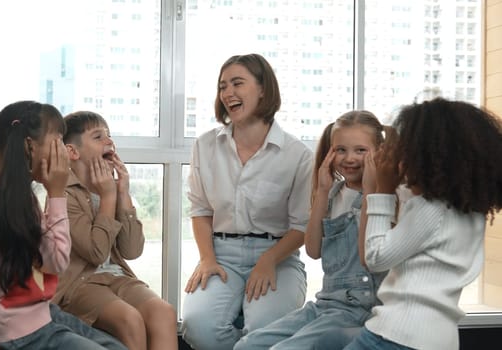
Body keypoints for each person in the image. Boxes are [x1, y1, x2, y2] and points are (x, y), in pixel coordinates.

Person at [344, 97, 502, 350]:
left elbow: (375, 258)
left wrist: (381, 190)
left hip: (396, 336)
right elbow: (411, 199)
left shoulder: (430, 209)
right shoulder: (470, 210)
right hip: (439, 339)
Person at [0, 101, 126, 350]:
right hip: (16, 332)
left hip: (36, 315)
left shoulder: (11, 193)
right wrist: (57, 192)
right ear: (30, 146)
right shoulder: (7, 200)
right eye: (58, 140)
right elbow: (57, 261)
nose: (63, 151)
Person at [181, 53, 314, 350]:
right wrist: (207, 258)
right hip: (220, 253)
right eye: (222, 86)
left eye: (237, 83)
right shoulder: (205, 145)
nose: (228, 93)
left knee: (266, 332)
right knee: (199, 328)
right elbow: (201, 210)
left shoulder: (298, 155)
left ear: (263, 88)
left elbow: (302, 226)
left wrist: (268, 259)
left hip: (277, 256)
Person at [234, 111, 388, 350]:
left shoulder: (382, 199)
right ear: (329, 152)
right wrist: (323, 192)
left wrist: (369, 191)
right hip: (325, 304)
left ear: (379, 152)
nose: (350, 158)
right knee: (247, 346)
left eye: (361, 150)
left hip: (359, 308)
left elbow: (371, 257)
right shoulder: (333, 195)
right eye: (340, 150)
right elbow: (314, 250)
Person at [52, 111, 178, 350]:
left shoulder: (109, 188)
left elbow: (131, 250)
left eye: (110, 136)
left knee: (164, 312)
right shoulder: (63, 193)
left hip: (116, 276)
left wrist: (123, 193)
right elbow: (96, 253)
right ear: (72, 152)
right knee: (130, 320)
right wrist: (109, 197)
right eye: (98, 137)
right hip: (78, 284)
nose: (109, 142)